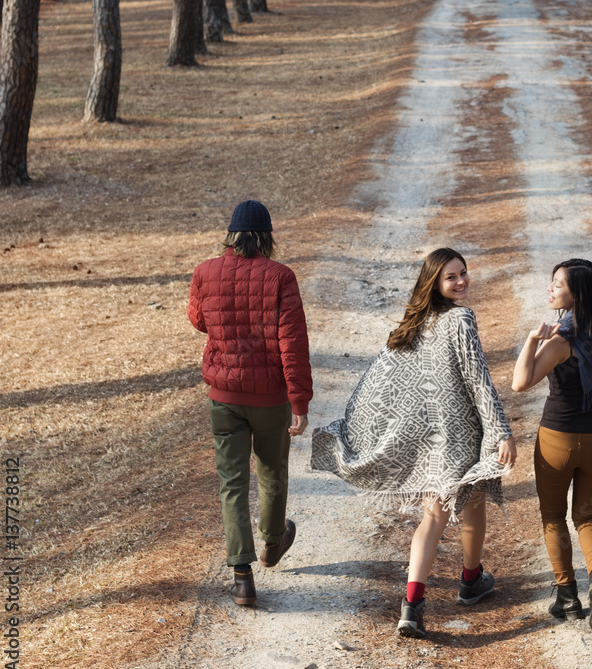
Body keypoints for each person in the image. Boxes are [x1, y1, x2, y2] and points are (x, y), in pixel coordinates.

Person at [311, 248, 517, 638]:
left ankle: (414, 605)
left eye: (463, 273)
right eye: (451, 277)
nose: (461, 281)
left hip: (426, 442)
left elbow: (380, 384)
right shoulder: (461, 319)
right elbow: (479, 381)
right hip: (460, 437)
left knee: (436, 517)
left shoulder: (414, 324)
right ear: (435, 284)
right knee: (467, 506)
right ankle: (468, 582)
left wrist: (377, 425)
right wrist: (501, 431)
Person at [188, 200, 313, 608]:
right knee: (272, 468)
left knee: (232, 484)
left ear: (231, 234)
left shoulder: (204, 272)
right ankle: (272, 544)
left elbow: (198, 319)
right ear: (266, 236)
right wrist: (299, 400)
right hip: (270, 398)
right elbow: (291, 344)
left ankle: (242, 577)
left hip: (223, 398)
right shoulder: (281, 276)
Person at [512, 259, 592, 633]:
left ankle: (567, 596)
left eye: (557, 284)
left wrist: (532, 341)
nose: (550, 289)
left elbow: (520, 382)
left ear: (576, 294)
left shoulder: (561, 341)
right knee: (590, 518)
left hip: (556, 441)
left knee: (552, 517)